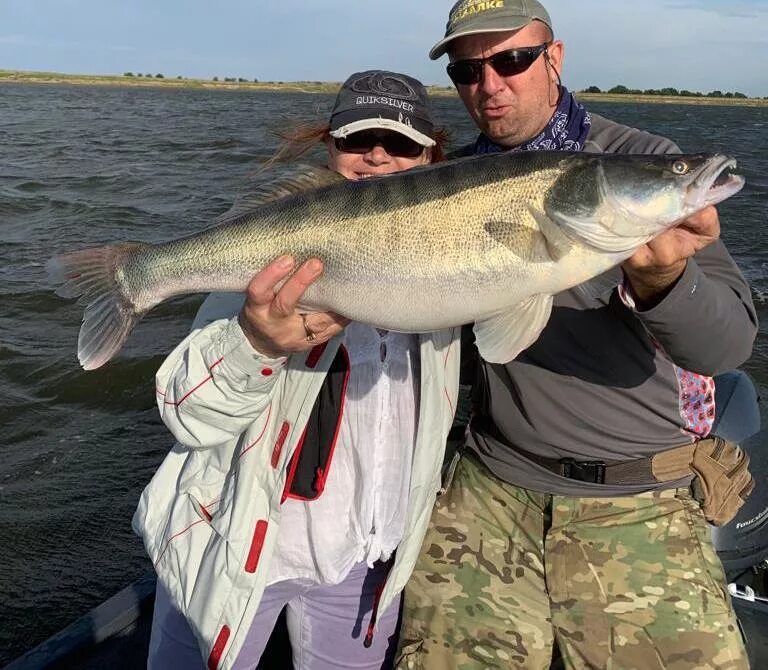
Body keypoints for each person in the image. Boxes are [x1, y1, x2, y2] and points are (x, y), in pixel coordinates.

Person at [396, 2, 759, 669]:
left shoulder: (647, 163)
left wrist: (662, 283)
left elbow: (726, 348)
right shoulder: (443, 182)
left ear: (554, 58)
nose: (490, 86)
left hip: (637, 500)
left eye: (511, 60)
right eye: (467, 70)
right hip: (490, 485)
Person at [134, 70, 460, 670]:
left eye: (403, 144)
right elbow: (186, 413)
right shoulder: (269, 263)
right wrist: (257, 341)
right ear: (330, 148)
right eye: (358, 139)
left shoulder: (450, 279)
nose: (379, 155)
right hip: (237, 554)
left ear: (432, 157)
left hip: (364, 556)